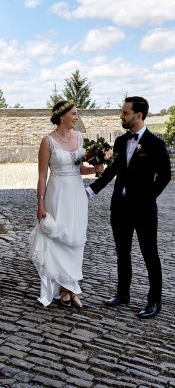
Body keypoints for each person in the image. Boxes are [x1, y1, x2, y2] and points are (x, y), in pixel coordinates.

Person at [87, 96, 171, 319]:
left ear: (139, 115)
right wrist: (91, 190)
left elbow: (165, 176)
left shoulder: (155, 144)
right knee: (122, 253)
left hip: (144, 210)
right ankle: (122, 294)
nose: (121, 117)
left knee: (149, 254)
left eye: (125, 113)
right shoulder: (121, 141)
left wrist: (149, 198)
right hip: (120, 208)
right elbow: (112, 170)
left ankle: (154, 301)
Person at [29, 100, 103, 308]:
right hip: (56, 194)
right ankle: (61, 288)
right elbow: (42, 175)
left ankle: (69, 287)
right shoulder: (48, 141)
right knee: (58, 238)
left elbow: (80, 169)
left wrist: (96, 169)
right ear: (62, 117)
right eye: (74, 113)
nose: (77, 117)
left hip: (77, 195)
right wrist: (40, 203)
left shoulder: (79, 138)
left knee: (76, 238)